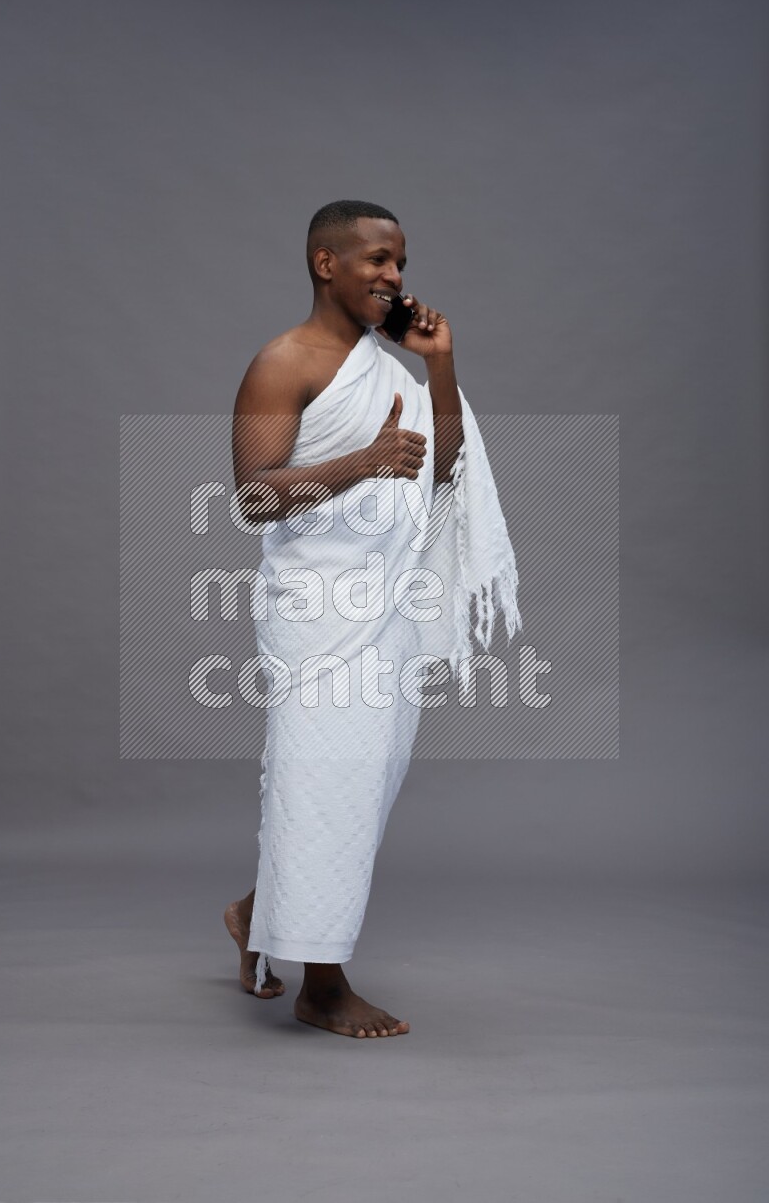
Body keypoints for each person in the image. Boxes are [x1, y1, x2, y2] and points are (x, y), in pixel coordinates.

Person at [223, 199, 521, 1039]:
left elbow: (445, 470)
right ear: (326, 263)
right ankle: (322, 984)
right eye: (378, 260)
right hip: (317, 610)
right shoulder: (284, 362)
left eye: (400, 263)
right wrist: (362, 463)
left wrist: (441, 365)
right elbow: (250, 496)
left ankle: (256, 911)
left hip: (389, 605)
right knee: (326, 781)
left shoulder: (394, 368)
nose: (394, 277)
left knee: (359, 790)